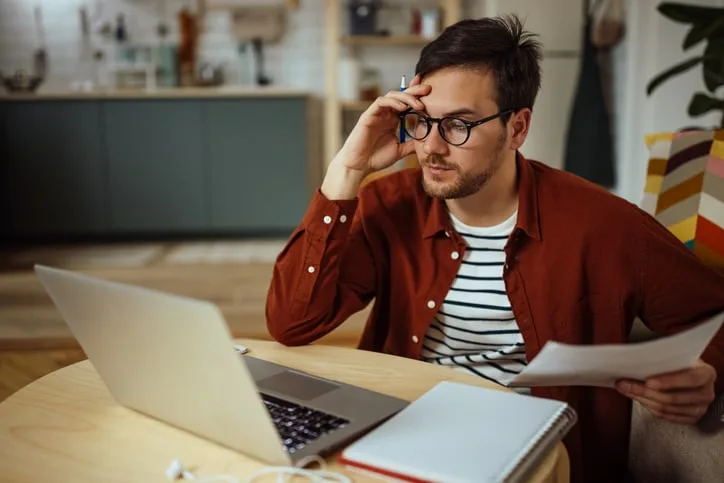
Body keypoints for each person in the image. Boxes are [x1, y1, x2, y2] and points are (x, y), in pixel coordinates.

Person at [265, 14, 724, 483]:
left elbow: (712, 311)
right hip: (403, 431)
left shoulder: (606, 226)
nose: (432, 148)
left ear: (517, 128)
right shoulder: (389, 205)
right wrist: (348, 168)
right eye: (422, 122)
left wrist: (708, 369)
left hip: (534, 452)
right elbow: (293, 323)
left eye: (459, 125)